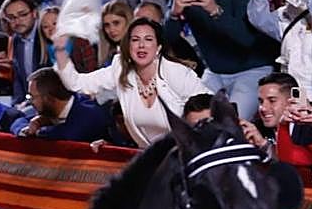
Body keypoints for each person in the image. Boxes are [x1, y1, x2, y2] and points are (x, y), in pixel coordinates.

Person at [53, 16, 211, 148]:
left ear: (158, 47)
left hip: (186, 154)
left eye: (148, 39)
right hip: (151, 158)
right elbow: (77, 84)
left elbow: (210, 107)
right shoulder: (121, 69)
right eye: (135, 40)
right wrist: (60, 51)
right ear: (128, 47)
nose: (141, 45)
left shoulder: (175, 72)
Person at [166, 0, 278, 119]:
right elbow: (167, 40)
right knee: (192, 118)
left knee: (233, 121)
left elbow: (247, 40)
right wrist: (173, 14)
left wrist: (215, 10)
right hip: (214, 72)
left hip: (252, 69)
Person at [240, 71, 312, 178]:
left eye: (272, 101)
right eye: (261, 101)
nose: (263, 108)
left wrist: (264, 145)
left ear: (293, 101)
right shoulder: (256, 128)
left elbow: (305, 164)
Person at [17, 66, 109, 142]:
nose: (30, 101)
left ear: (48, 98)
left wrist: (38, 130)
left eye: (32, 97)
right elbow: (17, 120)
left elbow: (69, 135)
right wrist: (28, 129)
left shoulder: (89, 113)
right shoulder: (48, 109)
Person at [0, 0, 48, 102]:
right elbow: (19, 79)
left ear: (34, 13)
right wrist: (18, 104)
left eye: (23, 15)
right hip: (29, 101)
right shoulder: (16, 40)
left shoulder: (46, 35)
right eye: (11, 17)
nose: (17, 21)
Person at [99, 0, 133, 67]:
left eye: (116, 23)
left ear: (128, 22)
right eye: (107, 25)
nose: (111, 30)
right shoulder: (111, 53)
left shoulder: (137, 52)